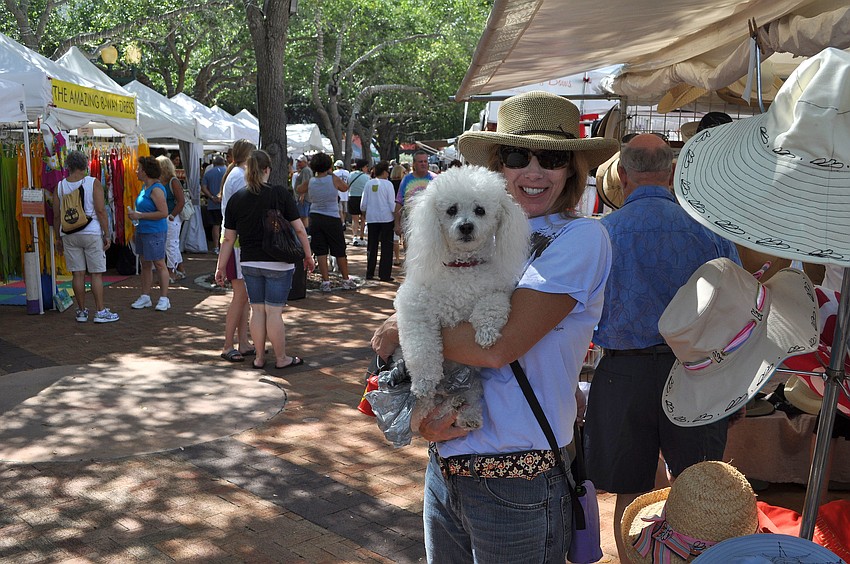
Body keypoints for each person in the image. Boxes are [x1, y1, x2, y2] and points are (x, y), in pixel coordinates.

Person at [371, 90, 619, 562]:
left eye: (550, 158)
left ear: (571, 170)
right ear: (498, 165)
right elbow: (427, 300)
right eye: (516, 155)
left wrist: (406, 326)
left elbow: (496, 348)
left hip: (519, 484)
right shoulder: (473, 236)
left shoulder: (580, 238)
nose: (533, 171)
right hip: (447, 467)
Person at [583, 133, 741, 564]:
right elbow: (738, 305)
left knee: (630, 492)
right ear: (672, 172)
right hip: (696, 372)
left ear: (621, 173)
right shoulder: (708, 230)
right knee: (699, 489)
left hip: (622, 374)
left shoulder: (601, 233)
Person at [215, 150, 315, 370]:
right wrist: (308, 255)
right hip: (279, 261)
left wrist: (220, 266)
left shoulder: (237, 199)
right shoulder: (279, 193)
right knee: (274, 311)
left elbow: (228, 238)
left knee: (257, 310)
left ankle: (259, 357)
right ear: (267, 169)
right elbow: (299, 228)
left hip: (249, 262)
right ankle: (281, 358)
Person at [53, 150, 119, 323]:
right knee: (96, 274)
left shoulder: (59, 186)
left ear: (69, 166)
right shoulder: (92, 183)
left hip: (68, 234)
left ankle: (81, 311)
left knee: (78, 274)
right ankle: (100, 311)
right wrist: (107, 233)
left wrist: (58, 238)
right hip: (91, 232)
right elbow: (100, 210)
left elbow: (56, 215)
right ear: (85, 164)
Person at [219, 139, 257, 363]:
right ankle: (227, 345)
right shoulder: (239, 176)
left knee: (243, 297)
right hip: (236, 243)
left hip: (235, 241)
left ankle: (242, 342)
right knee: (240, 295)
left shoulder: (234, 174)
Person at [297, 152, 357, 293]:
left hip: (315, 217)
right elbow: (344, 188)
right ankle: (346, 279)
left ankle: (325, 281)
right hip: (332, 217)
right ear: (329, 166)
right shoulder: (333, 179)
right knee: (339, 249)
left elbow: (299, 189)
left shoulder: (311, 181)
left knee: (321, 250)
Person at [128, 157, 171, 312]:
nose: (136, 171)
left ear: (145, 172)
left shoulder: (156, 189)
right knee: (145, 263)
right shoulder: (145, 188)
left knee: (159, 263)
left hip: (155, 231)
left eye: (138, 168)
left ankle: (164, 297)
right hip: (143, 231)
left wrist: (139, 216)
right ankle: (145, 296)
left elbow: (164, 213)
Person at [359, 160, 395, 282]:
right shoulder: (388, 185)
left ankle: (369, 272)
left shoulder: (369, 184)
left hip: (372, 219)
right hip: (386, 219)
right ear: (384, 172)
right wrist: (396, 216)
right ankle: (384, 274)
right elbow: (392, 204)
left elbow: (363, 204)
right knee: (386, 247)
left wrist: (365, 213)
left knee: (372, 246)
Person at [155, 155, 186, 282]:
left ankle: (171, 272)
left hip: (172, 218)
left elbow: (181, 201)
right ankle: (180, 269)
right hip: (163, 218)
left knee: (171, 245)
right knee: (172, 244)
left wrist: (172, 215)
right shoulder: (158, 181)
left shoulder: (173, 181)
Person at [394, 150, 436, 236]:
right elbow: (399, 202)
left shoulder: (435, 179)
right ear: (414, 164)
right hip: (410, 225)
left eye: (425, 161)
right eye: (420, 162)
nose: (423, 164)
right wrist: (397, 224)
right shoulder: (406, 179)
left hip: (430, 226)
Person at [201, 155, 227, 254]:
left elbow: (203, 187)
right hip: (225, 203)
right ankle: (225, 247)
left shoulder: (208, 173)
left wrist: (212, 197)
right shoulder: (228, 172)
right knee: (226, 225)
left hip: (213, 204)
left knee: (215, 226)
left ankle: (216, 247)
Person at [346, 159, 370, 246]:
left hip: (352, 197)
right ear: (363, 167)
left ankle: (354, 236)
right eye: (366, 166)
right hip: (362, 198)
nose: (367, 168)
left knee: (354, 219)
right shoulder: (367, 177)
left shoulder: (350, 174)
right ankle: (362, 237)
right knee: (363, 219)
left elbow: (347, 185)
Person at [389, 162, 406, 266]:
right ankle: (405, 257)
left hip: (391, 211)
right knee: (404, 236)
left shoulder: (389, 182)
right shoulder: (403, 183)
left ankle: (397, 258)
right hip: (402, 210)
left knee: (395, 236)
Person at [293, 155, 313, 229]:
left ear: (305, 162)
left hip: (304, 198)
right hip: (305, 197)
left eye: (300, 162)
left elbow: (305, 183)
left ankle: (306, 232)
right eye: (297, 162)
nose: (298, 163)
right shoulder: (305, 170)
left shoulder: (305, 170)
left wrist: (302, 196)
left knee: (303, 216)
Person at [332, 159, 350, 226]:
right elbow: (348, 182)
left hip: (338, 193)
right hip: (346, 192)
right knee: (345, 209)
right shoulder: (347, 172)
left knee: (340, 209)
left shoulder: (335, 172)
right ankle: (343, 221)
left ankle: (342, 222)